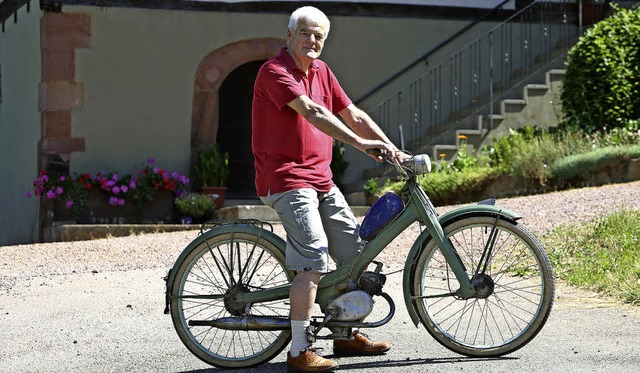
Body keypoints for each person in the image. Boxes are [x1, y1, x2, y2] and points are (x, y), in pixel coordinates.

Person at [252, 6, 406, 372]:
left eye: (320, 35)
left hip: (321, 178)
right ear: (289, 35)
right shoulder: (274, 72)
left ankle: (343, 333)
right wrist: (359, 144)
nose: (313, 41)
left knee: (353, 252)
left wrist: (392, 148)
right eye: (306, 33)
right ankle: (298, 351)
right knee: (314, 258)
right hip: (287, 179)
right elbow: (313, 113)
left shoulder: (321, 71)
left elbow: (353, 114)